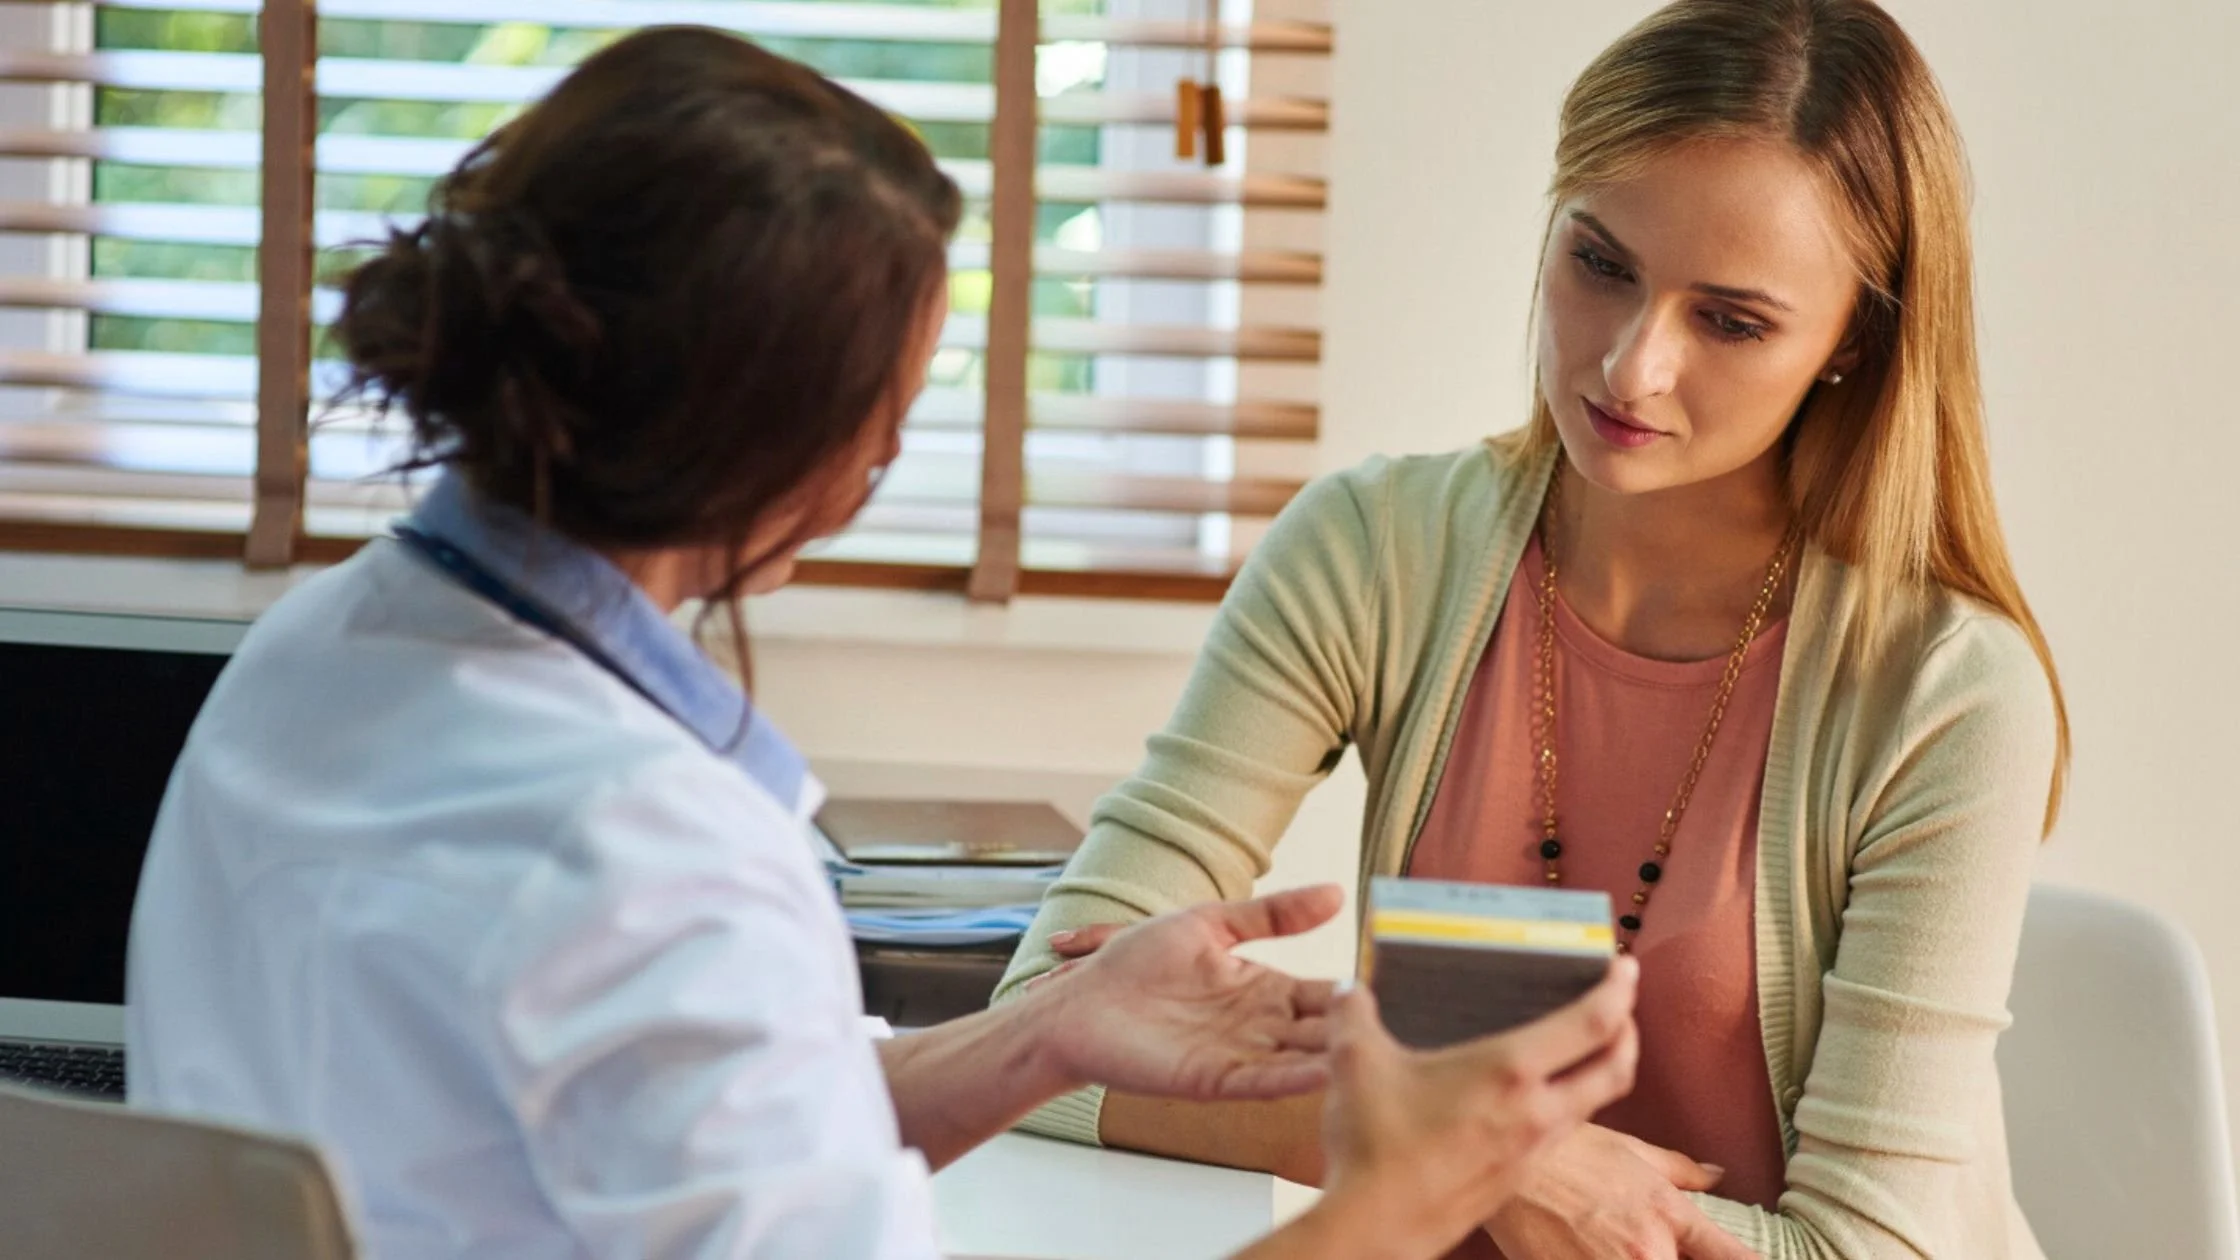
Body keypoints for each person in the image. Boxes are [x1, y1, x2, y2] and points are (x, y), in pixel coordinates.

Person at [121, 27, 1644, 1260]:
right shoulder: (645, 851)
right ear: (780, 457)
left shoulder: (321, 649)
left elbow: (672, 1115)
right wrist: (1408, 1195)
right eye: (891, 418)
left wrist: (1053, 1035)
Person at [996, 1, 2067, 1257]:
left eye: (1728, 321)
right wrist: (1484, 1156)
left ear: (1851, 344)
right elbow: (1041, 1036)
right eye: (1600, 264)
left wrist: (1410, 1141)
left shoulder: (1941, 689)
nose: (1627, 368)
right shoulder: (1373, 553)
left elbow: (1860, 1251)